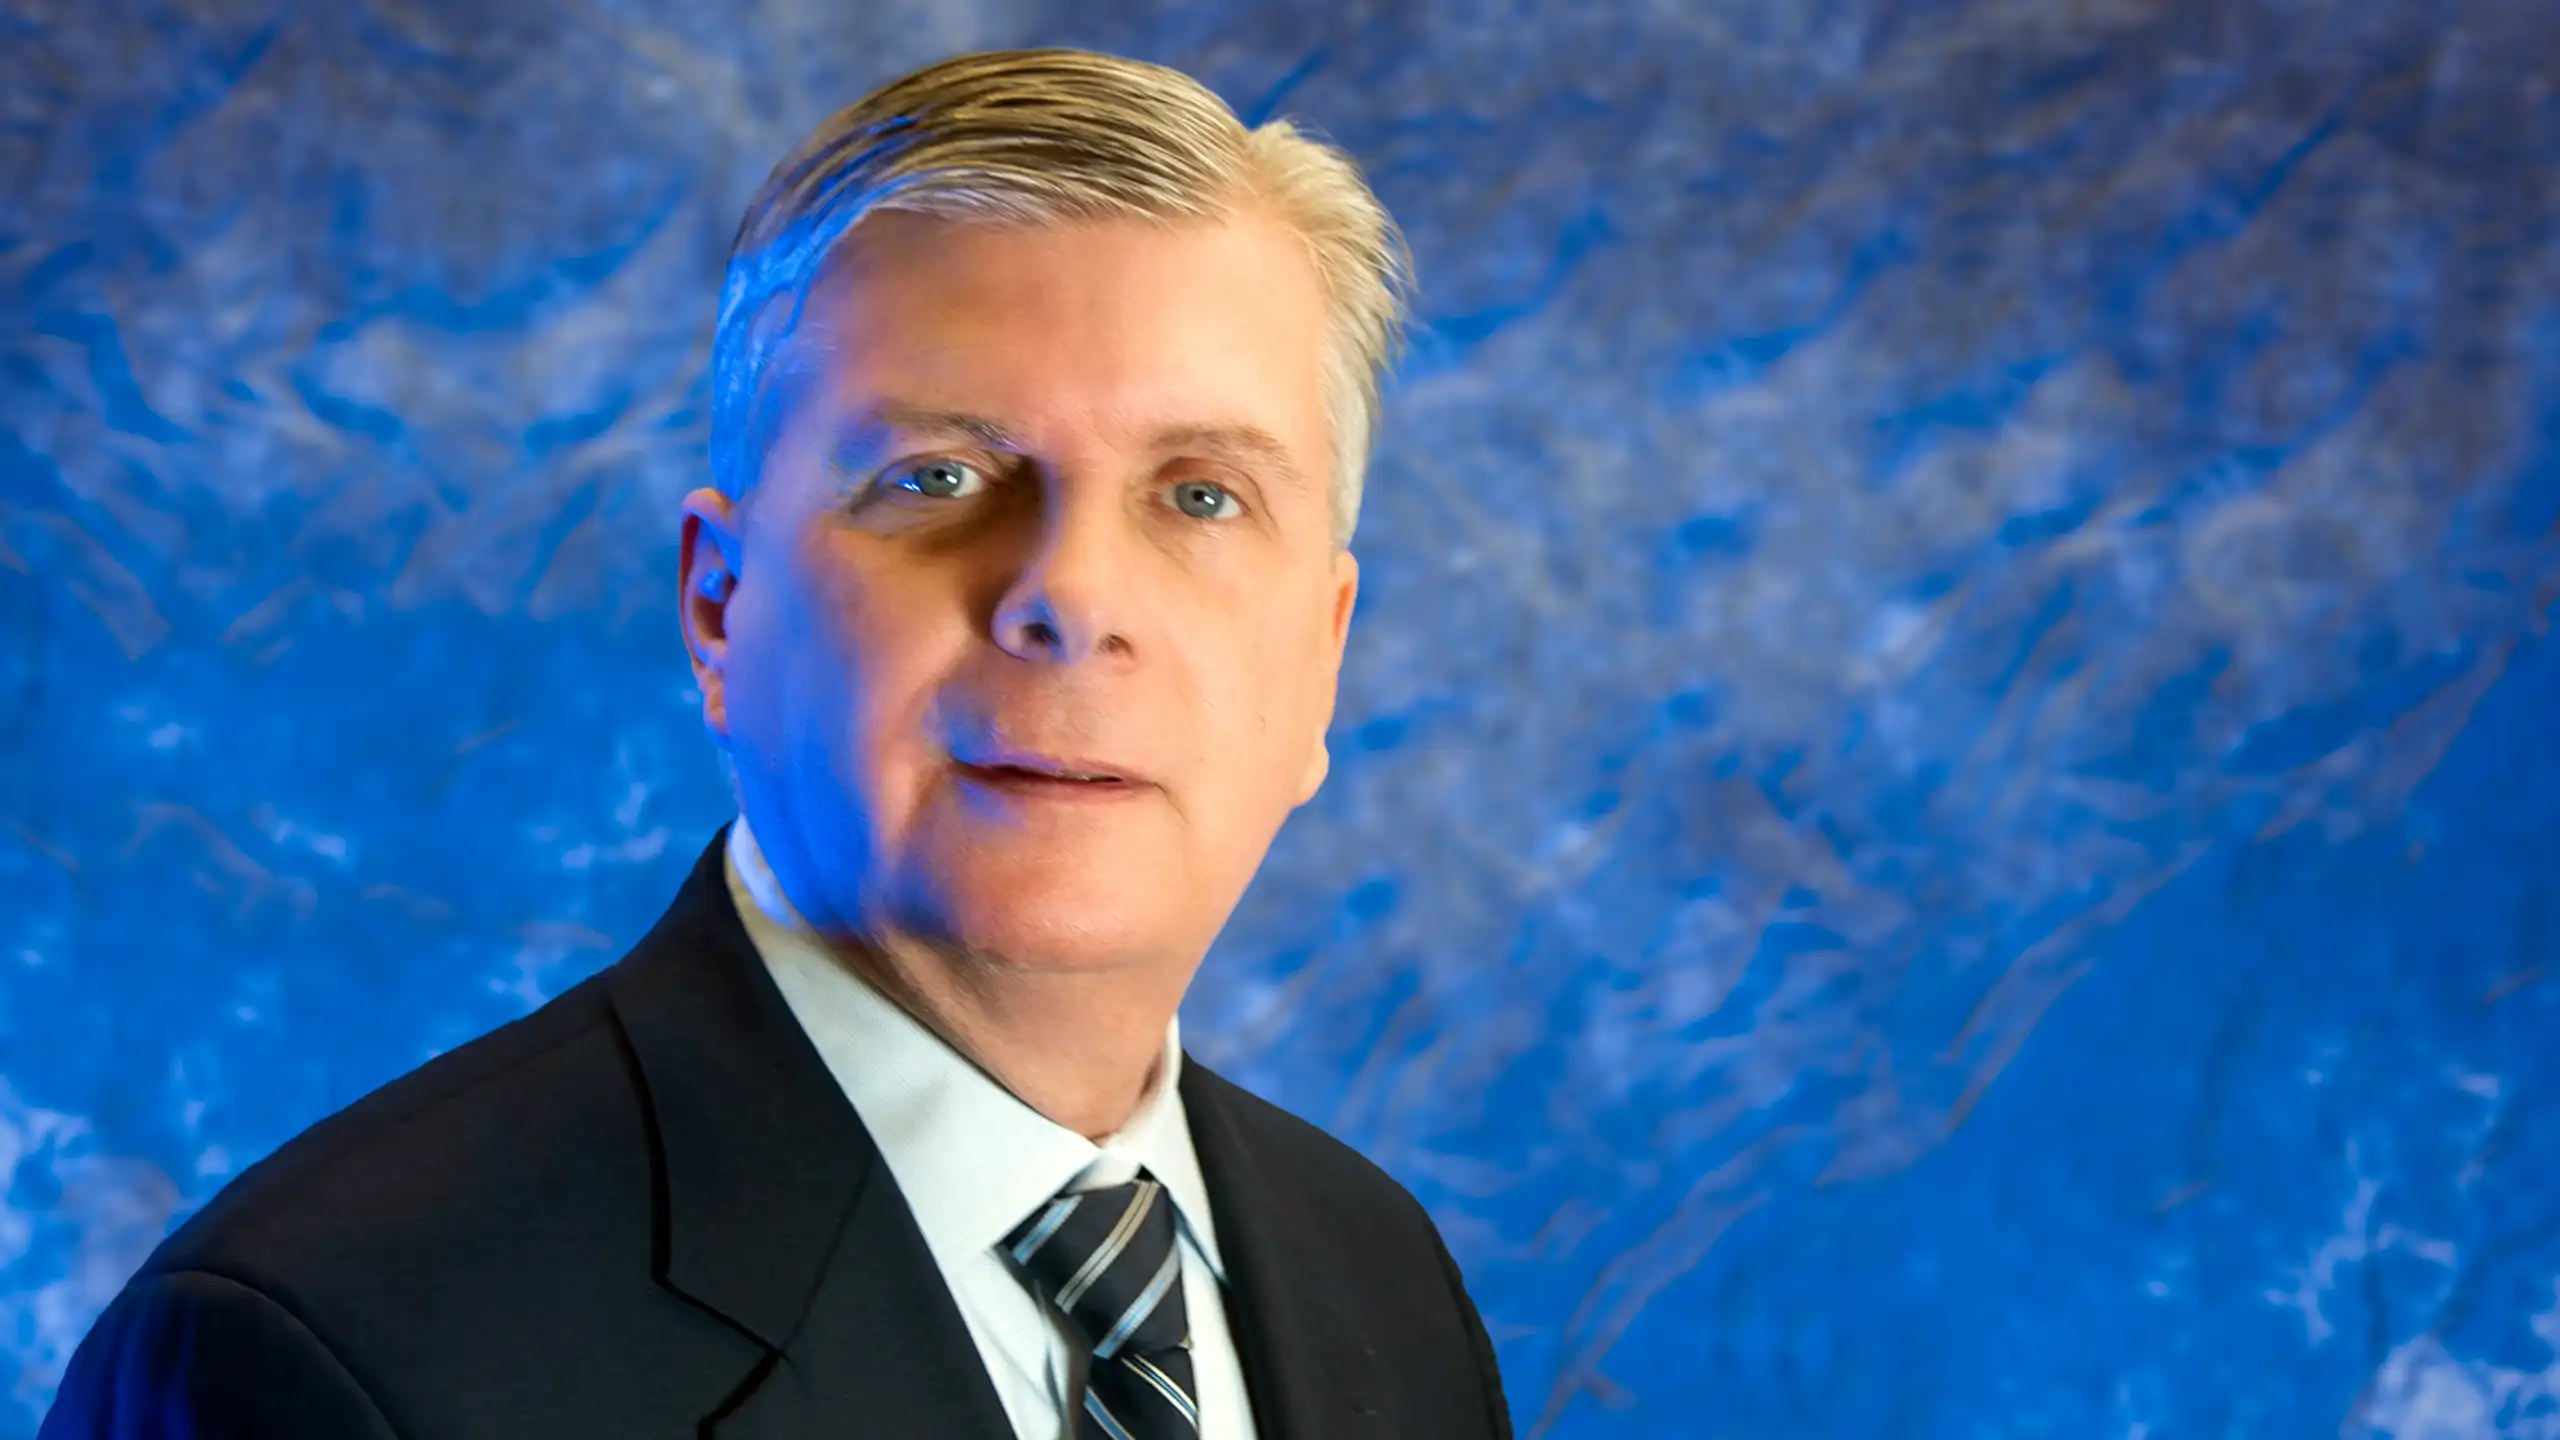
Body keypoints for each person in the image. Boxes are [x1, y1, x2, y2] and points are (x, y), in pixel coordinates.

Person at [42, 47, 1513, 1440]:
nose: (1071, 600)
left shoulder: (1380, 1285)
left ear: (1322, 656)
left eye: (1200, 496)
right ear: (719, 608)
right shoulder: (324, 1354)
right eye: (938, 475)